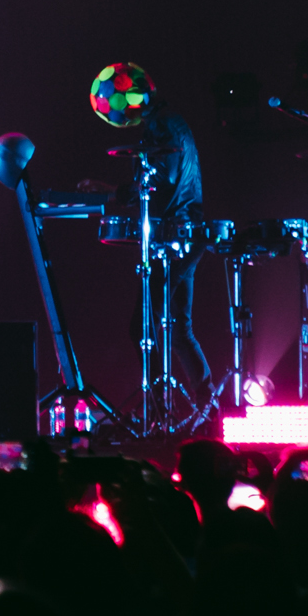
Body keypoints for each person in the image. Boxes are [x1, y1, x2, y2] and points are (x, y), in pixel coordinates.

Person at [91, 61, 210, 405]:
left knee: (142, 327)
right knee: (178, 328)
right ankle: (206, 410)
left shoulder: (163, 126)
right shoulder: (171, 122)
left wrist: (113, 191)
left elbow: (164, 177)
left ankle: (161, 406)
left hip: (177, 238)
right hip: (186, 234)